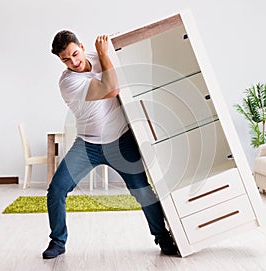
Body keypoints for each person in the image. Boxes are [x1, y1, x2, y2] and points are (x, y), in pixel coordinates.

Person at [42, 30, 179, 259]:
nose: (73, 62)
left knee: (142, 191)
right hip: (88, 145)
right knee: (56, 189)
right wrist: (104, 55)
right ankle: (58, 242)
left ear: (82, 46)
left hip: (122, 141)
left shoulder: (100, 56)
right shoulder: (68, 83)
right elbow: (111, 89)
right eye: (65, 59)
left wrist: (105, 53)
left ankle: (163, 238)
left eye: (75, 54)